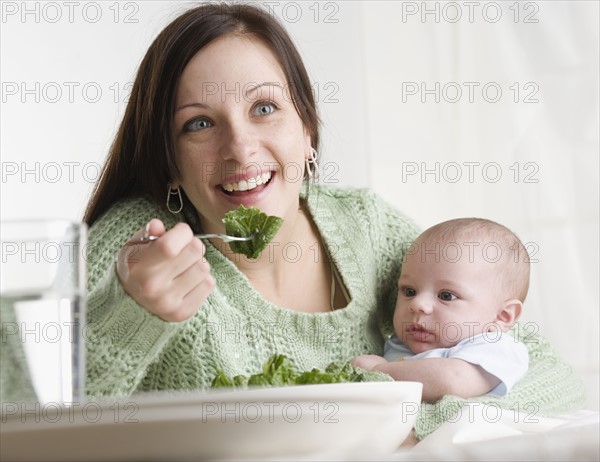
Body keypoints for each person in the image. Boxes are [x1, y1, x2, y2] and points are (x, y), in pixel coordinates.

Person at [81, 2, 583, 442]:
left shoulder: (366, 229)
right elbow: (19, 410)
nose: (240, 148)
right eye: (199, 123)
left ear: (307, 131)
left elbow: (552, 378)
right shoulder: (136, 249)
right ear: (168, 159)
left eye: (264, 108)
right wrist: (130, 313)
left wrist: (419, 426)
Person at [353, 218, 529, 402]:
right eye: (410, 291)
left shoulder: (496, 347)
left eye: (446, 296)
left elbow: (451, 381)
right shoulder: (400, 344)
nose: (417, 304)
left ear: (502, 316)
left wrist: (378, 371)